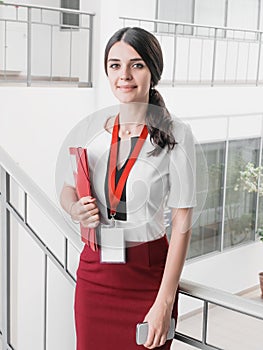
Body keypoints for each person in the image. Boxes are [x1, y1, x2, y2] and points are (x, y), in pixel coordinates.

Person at [60, 27, 196, 350]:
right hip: (94, 273)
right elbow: (68, 188)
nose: (125, 75)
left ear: (153, 71)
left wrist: (164, 302)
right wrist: (73, 207)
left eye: (136, 65)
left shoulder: (177, 134)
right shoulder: (93, 130)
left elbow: (181, 225)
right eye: (115, 65)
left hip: (147, 278)